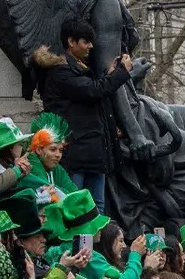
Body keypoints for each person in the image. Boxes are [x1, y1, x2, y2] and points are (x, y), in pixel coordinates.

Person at [32, 18, 134, 213]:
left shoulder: (78, 67)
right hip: (75, 151)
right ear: (71, 42)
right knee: (75, 205)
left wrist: (111, 74)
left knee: (96, 207)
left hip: (92, 150)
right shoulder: (60, 70)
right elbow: (93, 91)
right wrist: (121, 73)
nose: (91, 46)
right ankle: (77, 244)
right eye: (86, 41)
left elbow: (94, 94)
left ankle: (93, 243)